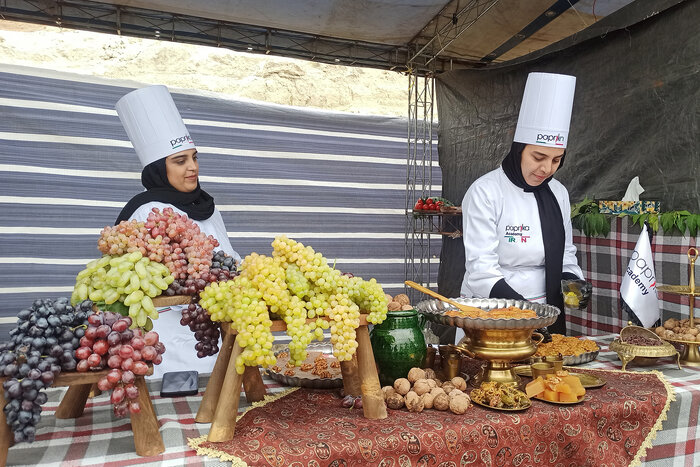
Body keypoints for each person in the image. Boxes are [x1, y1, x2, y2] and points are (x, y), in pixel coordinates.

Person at [115, 85, 241, 379]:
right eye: (181, 161)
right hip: (171, 345)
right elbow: (155, 282)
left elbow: (227, 257)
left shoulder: (205, 204)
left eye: (194, 158)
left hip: (220, 329)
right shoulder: (148, 212)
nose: (193, 168)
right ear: (160, 168)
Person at [460, 72, 587, 337]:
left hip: (543, 309)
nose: (546, 169)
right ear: (519, 149)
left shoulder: (558, 193)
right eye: (538, 156)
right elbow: (481, 271)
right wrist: (524, 312)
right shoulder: (485, 192)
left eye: (556, 160)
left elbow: (565, 252)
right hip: (491, 310)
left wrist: (573, 283)